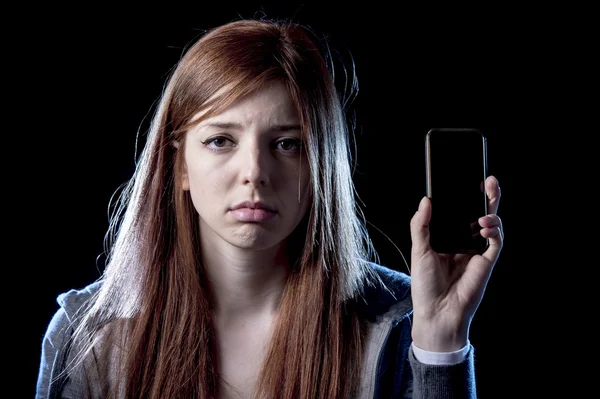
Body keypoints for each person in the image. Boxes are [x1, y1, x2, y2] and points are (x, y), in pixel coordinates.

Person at [36, 18, 504, 399]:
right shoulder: (88, 335)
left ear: (321, 164)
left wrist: (442, 341)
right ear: (178, 164)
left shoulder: (397, 319)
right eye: (221, 141)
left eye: (287, 144)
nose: (255, 172)